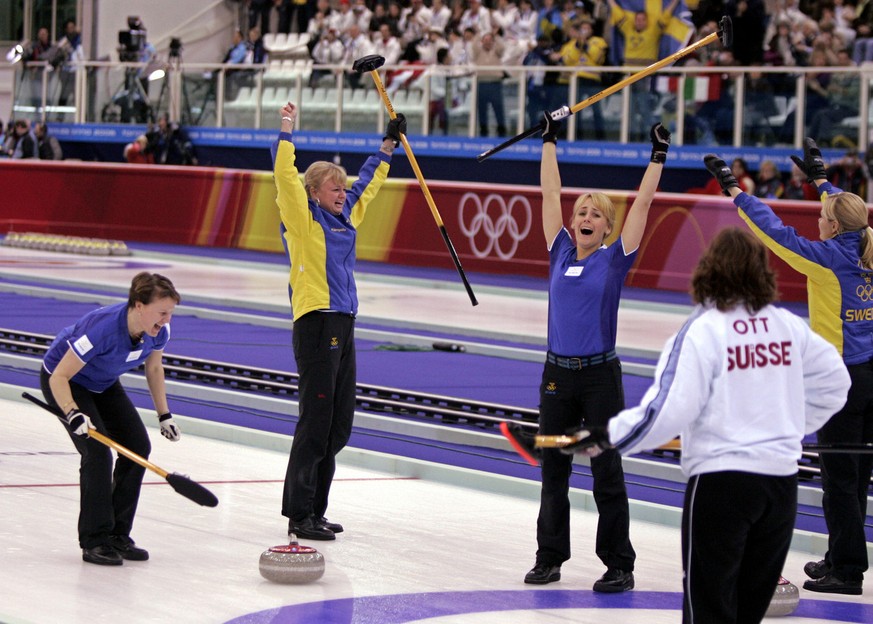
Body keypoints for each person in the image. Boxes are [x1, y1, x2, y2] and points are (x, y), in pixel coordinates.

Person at [524, 226, 850, 622]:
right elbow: (837, 383)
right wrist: (789, 429)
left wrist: (607, 436)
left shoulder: (703, 330)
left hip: (721, 484)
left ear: (709, 270)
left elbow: (666, 412)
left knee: (708, 609)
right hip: (780, 485)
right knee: (748, 611)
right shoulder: (787, 325)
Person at [706, 138, 873, 596]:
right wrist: (821, 181)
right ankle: (842, 553)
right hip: (871, 377)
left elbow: (775, 234)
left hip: (841, 381)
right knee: (855, 476)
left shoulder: (826, 261)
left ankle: (848, 573)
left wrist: (736, 193)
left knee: (838, 480)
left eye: (822, 215)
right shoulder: (864, 247)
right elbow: (847, 212)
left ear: (833, 225)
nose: (817, 220)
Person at [523, 113, 672, 592]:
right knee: (554, 470)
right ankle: (549, 559)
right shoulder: (559, 251)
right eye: (580, 213)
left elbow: (645, 202)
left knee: (606, 470)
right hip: (556, 379)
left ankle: (619, 564)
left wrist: (657, 157)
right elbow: (550, 192)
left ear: (608, 227)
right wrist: (549, 140)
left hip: (600, 379)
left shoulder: (615, 257)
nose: (584, 219)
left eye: (594, 215)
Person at [271, 101, 406, 540]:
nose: (342, 193)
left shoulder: (346, 217)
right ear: (313, 193)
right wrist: (287, 131)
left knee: (338, 424)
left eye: (341, 188)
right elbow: (284, 179)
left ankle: (317, 509)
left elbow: (368, 184)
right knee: (316, 420)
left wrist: (389, 144)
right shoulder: (302, 218)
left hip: (344, 325)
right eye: (333, 188)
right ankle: (299, 513)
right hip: (316, 324)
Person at [39, 272, 183, 566]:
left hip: (102, 384)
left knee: (138, 448)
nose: (166, 320)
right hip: (67, 382)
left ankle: (118, 534)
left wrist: (164, 414)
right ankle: (94, 539)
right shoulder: (103, 329)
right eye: (162, 312)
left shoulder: (158, 332)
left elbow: (154, 369)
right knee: (97, 453)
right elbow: (60, 376)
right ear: (139, 305)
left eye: (170, 313)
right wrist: (72, 411)